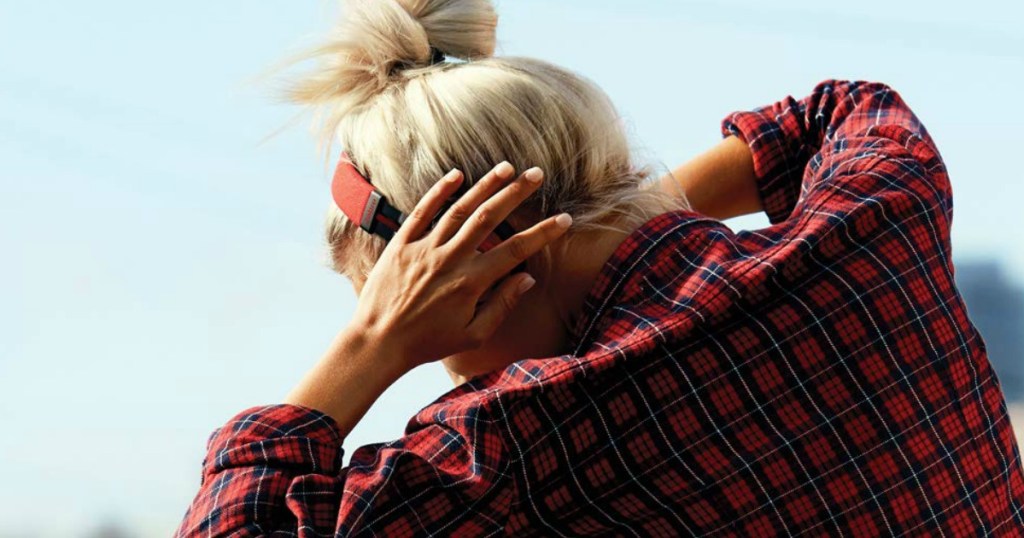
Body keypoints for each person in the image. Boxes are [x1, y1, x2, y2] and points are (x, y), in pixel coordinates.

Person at [174, 0, 1024, 535]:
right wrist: (621, 212)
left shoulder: (511, 449)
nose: (435, 358)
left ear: (477, 250)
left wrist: (369, 348)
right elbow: (844, 113)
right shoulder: (870, 238)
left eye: (414, 308)